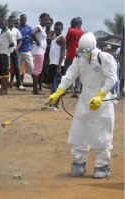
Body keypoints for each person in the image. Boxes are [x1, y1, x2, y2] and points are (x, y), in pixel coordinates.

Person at [48, 32, 118, 179]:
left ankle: (102, 165)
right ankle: (79, 162)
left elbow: (112, 78)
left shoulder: (104, 57)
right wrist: (59, 91)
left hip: (102, 101)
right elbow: (70, 75)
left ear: (93, 48)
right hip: (85, 99)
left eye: (86, 51)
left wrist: (100, 95)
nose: (84, 54)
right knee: (80, 130)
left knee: (102, 133)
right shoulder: (79, 58)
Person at [47, 21, 66, 110]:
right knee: (52, 86)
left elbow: (62, 53)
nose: (57, 29)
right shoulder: (54, 38)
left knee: (57, 86)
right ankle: (51, 104)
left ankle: (56, 105)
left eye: (59, 28)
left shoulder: (62, 38)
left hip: (57, 65)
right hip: (52, 64)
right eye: (55, 28)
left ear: (62, 29)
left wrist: (59, 66)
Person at [31, 13, 50, 95]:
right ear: (40, 19)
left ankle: (35, 89)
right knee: (36, 71)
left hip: (40, 51)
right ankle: (35, 90)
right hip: (39, 51)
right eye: (44, 19)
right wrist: (37, 41)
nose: (46, 21)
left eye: (47, 19)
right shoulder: (39, 27)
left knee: (36, 70)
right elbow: (32, 33)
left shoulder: (42, 28)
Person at [65, 18, 84, 98]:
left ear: (72, 23)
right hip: (79, 55)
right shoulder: (83, 32)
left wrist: (67, 48)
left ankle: (68, 87)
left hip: (70, 54)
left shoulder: (71, 31)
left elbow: (66, 41)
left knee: (68, 71)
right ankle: (77, 90)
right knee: (78, 73)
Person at [0, 18, 14, 95]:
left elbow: (12, 43)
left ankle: (5, 89)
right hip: (0, 53)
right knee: (1, 72)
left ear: (6, 24)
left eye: (2, 24)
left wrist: (7, 49)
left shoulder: (8, 32)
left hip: (5, 54)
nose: (1, 25)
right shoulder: (1, 32)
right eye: (0, 24)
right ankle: (2, 88)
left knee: (5, 71)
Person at [17, 14, 34, 89]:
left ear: (26, 19)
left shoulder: (30, 28)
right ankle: (20, 84)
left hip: (27, 50)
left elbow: (32, 39)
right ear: (20, 19)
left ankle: (35, 83)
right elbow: (17, 39)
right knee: (19, 68)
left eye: (24, 18)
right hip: (19, 51)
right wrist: (24, 38)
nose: (23, 19)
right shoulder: (17, 29)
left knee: (31, 67)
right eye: (22, 18)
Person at [7, 16, 24, 90]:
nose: (11, 23)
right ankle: (2, 83)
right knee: (5, 67)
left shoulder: (16, 30)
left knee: (17, 68)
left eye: (13, 22)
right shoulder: (5, 30)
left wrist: (17, 48)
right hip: (6, 51)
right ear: (8, 21)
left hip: (14, 51)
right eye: (10, 21)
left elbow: (20, 40)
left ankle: (19, 84)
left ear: (14, 23)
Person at [118, 24, 125, 99]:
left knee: (123, 74)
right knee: (123, 73)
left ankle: (120, 92)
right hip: (123, 52)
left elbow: (123, 38)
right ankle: (120, 92)